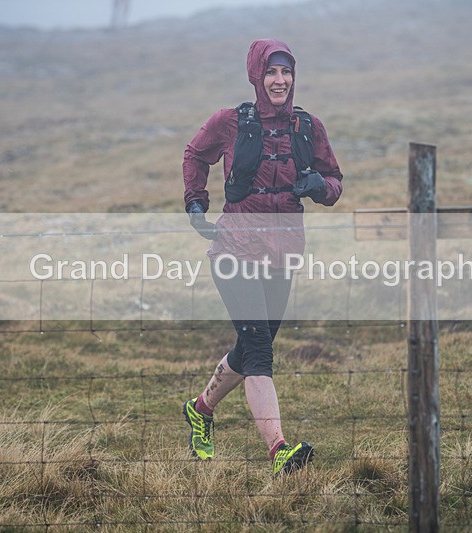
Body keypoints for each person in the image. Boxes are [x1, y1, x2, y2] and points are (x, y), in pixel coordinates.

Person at [181, 38, 343, 476]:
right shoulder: (231, 122)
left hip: (282, 254)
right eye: (271, 72)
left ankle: (200, 409)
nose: (279, 80)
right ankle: (280, 451)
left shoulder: (308, 127)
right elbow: (196, 154)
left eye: (286, 72)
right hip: (234, 250)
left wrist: (318, 187)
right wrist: (196, 203)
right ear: (257, 75)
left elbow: (334, 181)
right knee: (260, 352)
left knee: (254, 346)